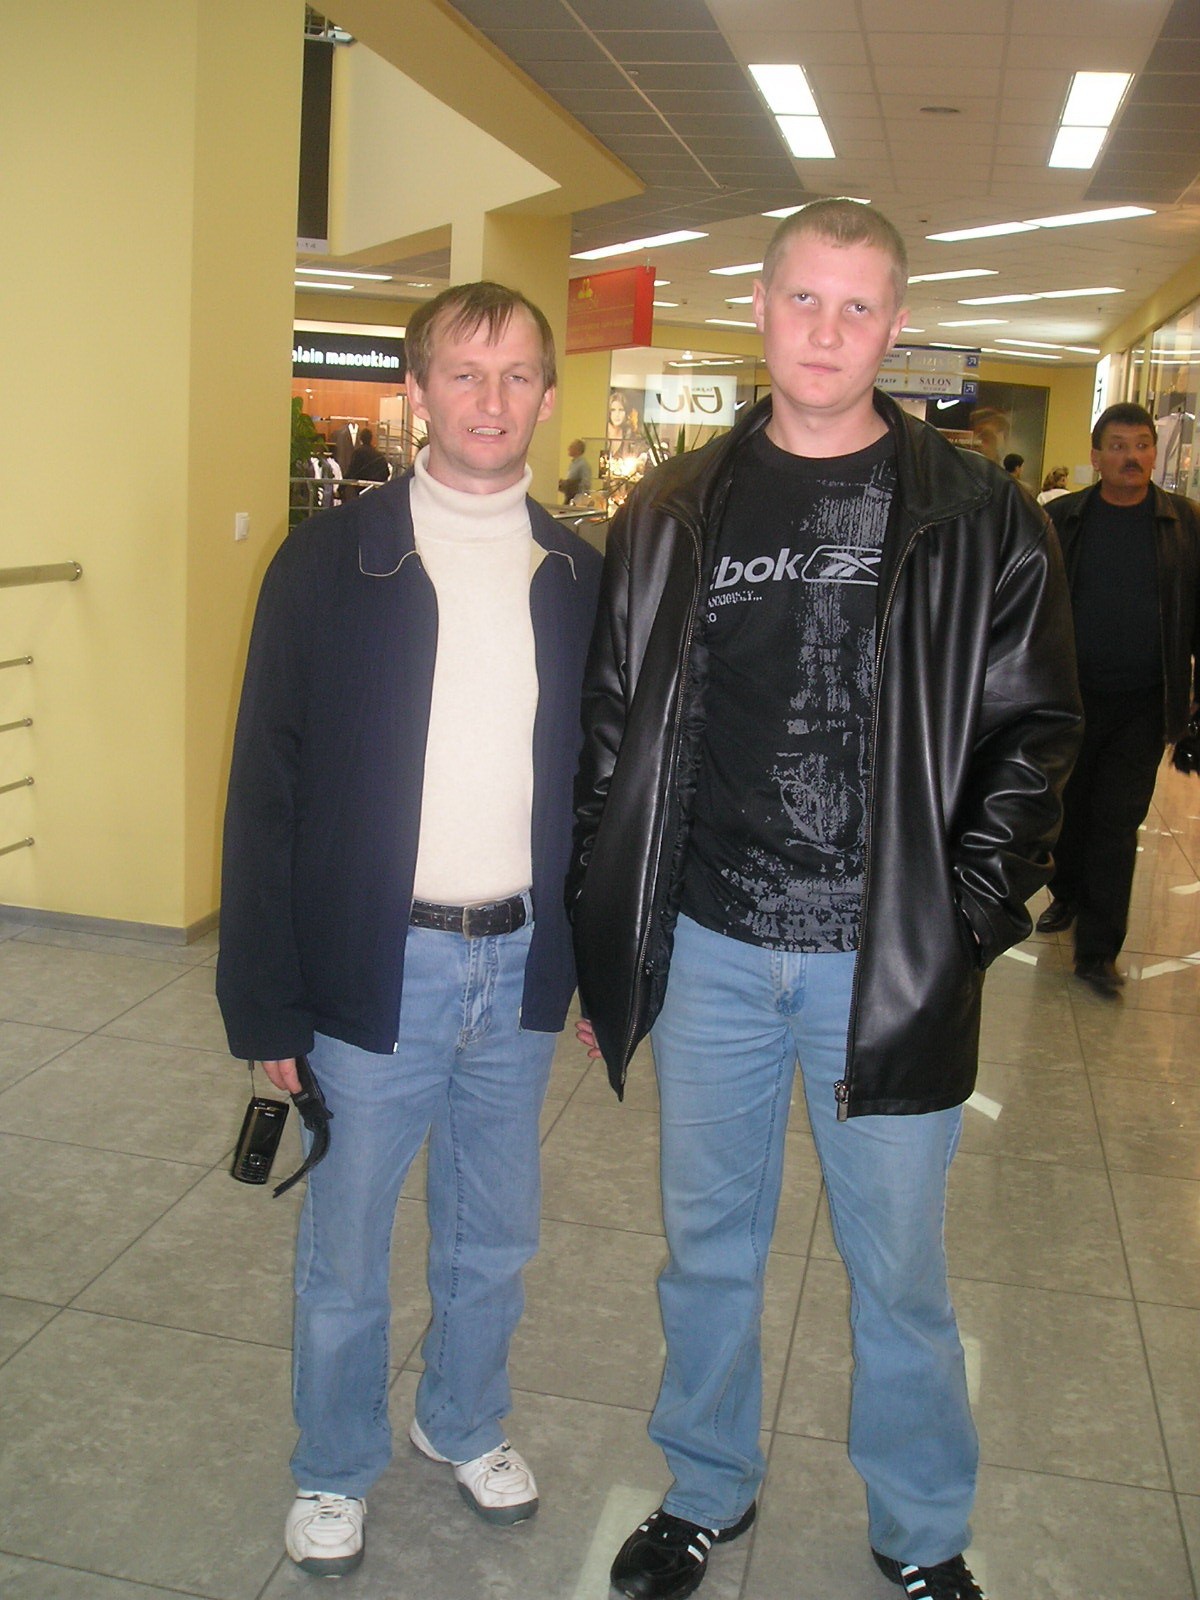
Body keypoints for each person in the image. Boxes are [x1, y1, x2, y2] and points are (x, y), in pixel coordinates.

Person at [570, 199, 1081, 1600]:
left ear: (897, 327)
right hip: (714, 950)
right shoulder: (675, 507)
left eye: (859, 306)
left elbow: (1036, 735)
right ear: (760, 304)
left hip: (889, 961)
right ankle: (705, 1487)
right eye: (805, 298)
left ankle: (921, 1527)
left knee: (899, 1270)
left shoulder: (979, 515)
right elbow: (615, 731)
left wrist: (965, 920)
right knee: (708, 1251)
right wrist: (610, 931)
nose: (827, 329)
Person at [216, 281, 602, 1578]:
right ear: (419, 390)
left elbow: (607, 791)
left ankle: (462, 1418)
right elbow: (264, 788)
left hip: (521, 959)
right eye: (465, 373)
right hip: (375, 967)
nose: (492, 400)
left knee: (495, 1233)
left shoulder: (578, 574)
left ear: (547, 395)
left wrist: (604, 965)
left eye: (516, 375)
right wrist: (265, 1000)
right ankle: (334, 1463)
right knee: (347, 1246)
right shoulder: (333, 561)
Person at [1037, 402, 1200, 993]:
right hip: (1069, 698)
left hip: (1144, 702)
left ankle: (1097, 953)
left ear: (1155, 453)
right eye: (1118, 445)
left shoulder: (1185, 523)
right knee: (1066, 811)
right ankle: (1067, 893)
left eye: (1142, 445)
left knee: (1116, 821)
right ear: (1096, 455)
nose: (1132, 457)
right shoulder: (1066, 519)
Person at [342, 425, 390, 499]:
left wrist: (341, 488)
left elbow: (351, 472)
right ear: (371, 439)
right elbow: (386, 473)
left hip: (361, 489)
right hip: (375, 491)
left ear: (360, 439)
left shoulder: (358, 453)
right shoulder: (378, 455)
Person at [558, 437, 592, 503]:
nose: (568, 448)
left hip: (577, 500)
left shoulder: (583, 465)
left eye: (571, 447)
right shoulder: (573, 464)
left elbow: (586, 484)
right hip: (569, 497)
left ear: (577, 450)